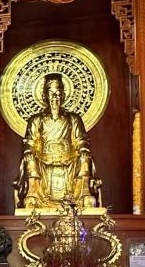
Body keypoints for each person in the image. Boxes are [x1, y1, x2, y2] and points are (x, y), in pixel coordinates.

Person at [17, 73, 101, 210]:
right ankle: (33, 195)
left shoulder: (73, 118)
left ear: (63, 95)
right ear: (44, 96)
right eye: (51, 93)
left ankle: (84, 194)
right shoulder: (36, 119)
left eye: (58, 93)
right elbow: (30, 141)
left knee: (85, 158)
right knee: (30, 159)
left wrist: (84, 149)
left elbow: (81, 139)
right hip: (44, 158)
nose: (55, 97)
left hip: (69, 158)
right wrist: (28, 151)